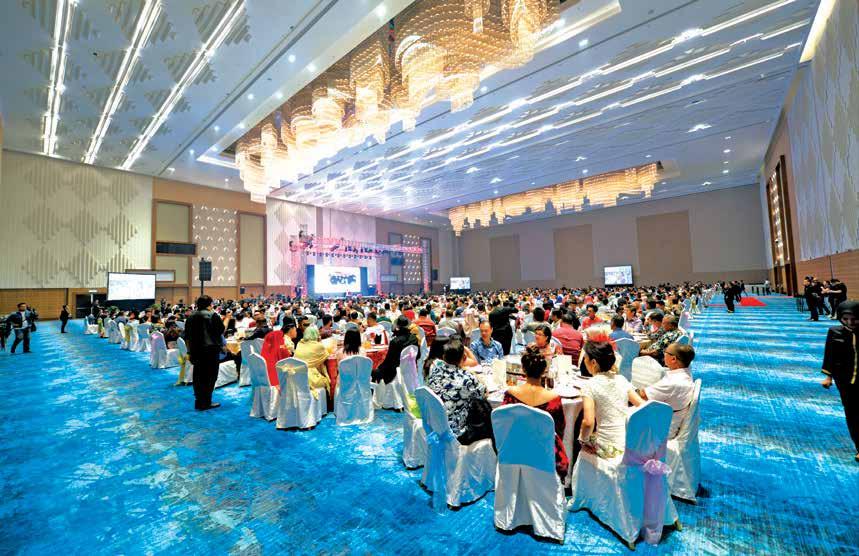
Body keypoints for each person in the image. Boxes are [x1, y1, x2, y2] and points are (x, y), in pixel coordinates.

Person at [501, 345, 569, 480]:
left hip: (516, 449)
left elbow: (503, 424)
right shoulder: (554, 398)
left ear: (523, 369)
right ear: (544, 371)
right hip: (544, 453)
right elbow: (559, 430)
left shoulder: (511, 394)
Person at [578, 340, 643, 458]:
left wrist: (583, 440)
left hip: (607, 446)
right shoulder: (621, 379)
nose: (583, 361)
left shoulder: (589, 385)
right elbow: (642, 406)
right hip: (629, 442)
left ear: (593, 362)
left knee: (580, 439)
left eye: (585, 358)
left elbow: (588, 422)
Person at [426, 338, 489, 443]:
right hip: (457, 432)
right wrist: (471, 373)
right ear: (464, 358)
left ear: (443, 357)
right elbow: (484, 393)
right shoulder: (467, 379)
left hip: (435, 425)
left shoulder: (435, 370)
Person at [821, 301, 858, 462]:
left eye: (854, 319)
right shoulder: (834, 332)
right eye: (845, 319)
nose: (850, 322)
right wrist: (828, 377)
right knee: (853, 415)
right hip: (844, 381)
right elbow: (829, 355)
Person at [637, 343, 696, 439]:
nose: (664, 354)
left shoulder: (673, 382)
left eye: (665, 352)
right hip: (669, 421)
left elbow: (643, 395)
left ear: (673, 359)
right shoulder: (686, 373)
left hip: (659, 430)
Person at [184, 295, 225, 411]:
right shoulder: (213, 315)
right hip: (210, 350)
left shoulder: (191, 317)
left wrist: (189, 352)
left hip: (195, 351)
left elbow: (187, 337)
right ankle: (206, 402)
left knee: (198, 376)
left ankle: (199, 401)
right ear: (210, 304)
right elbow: (221, 331)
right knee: (210, 376)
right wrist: (227, 318)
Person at [373, 316, 420, 383]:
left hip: (395, 372)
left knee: (374, 372)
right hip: (410, 369)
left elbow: (388, 362)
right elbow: (418, 355)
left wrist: (378, 368)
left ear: (397, 326)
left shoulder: (395, 341)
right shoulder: (414, 338)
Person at [292, 326, 332, 398]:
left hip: (296, 376)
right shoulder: (318, 346)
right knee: (327, 380)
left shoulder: (300, 343)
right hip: (310, 378)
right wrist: (320, 342)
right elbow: (327, 355)